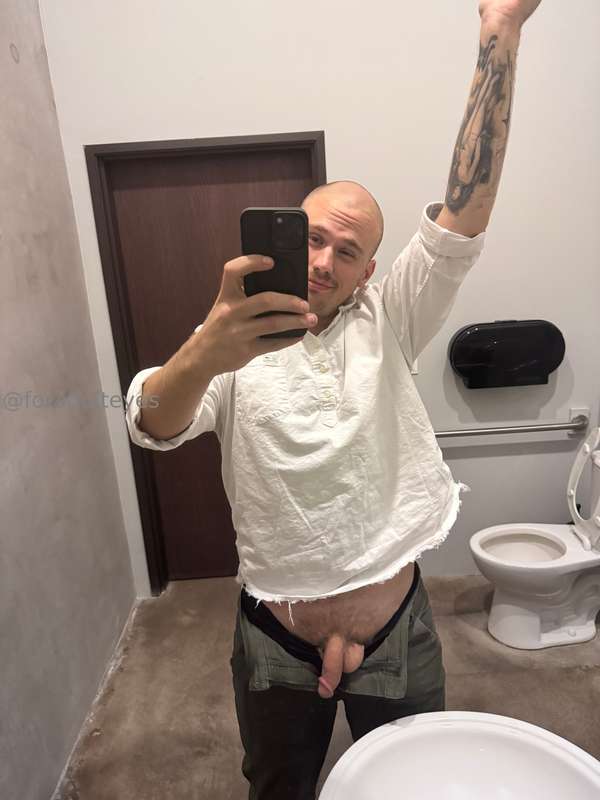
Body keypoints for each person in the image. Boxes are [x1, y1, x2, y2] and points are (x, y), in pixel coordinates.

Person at [125, 2, 542, 797]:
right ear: (284, 235)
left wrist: (502, 31)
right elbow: (152, 423)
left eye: (346, 251)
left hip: (396, 632)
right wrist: (209, 350)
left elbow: (465, 214)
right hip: (276, 640)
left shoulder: (392, 315)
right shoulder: (229, 336)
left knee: (418, 784)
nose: (323, 261)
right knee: (277, 787)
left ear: (368, 272)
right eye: (312, 238)